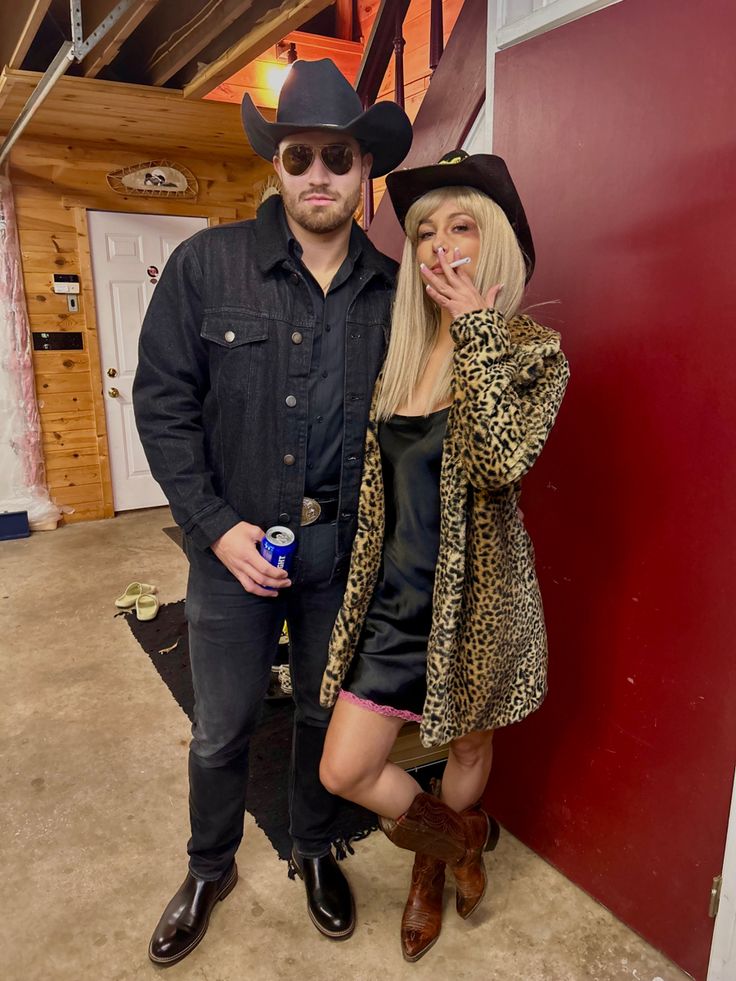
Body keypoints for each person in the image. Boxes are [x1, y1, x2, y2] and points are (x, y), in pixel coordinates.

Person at [132, 59, 412, 965]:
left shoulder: (396, 290)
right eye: (301, 156)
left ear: (365, 168)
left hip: (343, 552)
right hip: (232, 547)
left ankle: (314, 846)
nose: (319, 173)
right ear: (277, 165)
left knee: (325, 717)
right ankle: (210, 864)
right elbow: (163, 404)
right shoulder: (203, 266)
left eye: (339, 155)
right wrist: (214, 525)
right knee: (221, 723)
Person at [318, 150, 570, 961]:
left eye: (459, 225)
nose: (436, 244)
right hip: (395, 606)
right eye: (424, 232)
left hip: (480, 609)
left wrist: (477, 332)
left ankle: (428, 872)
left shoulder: (533, 352)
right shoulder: (402, 351)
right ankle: (462, 841)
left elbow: (500, 460)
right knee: (346, 769)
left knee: (467, 746)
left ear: (491, 240)